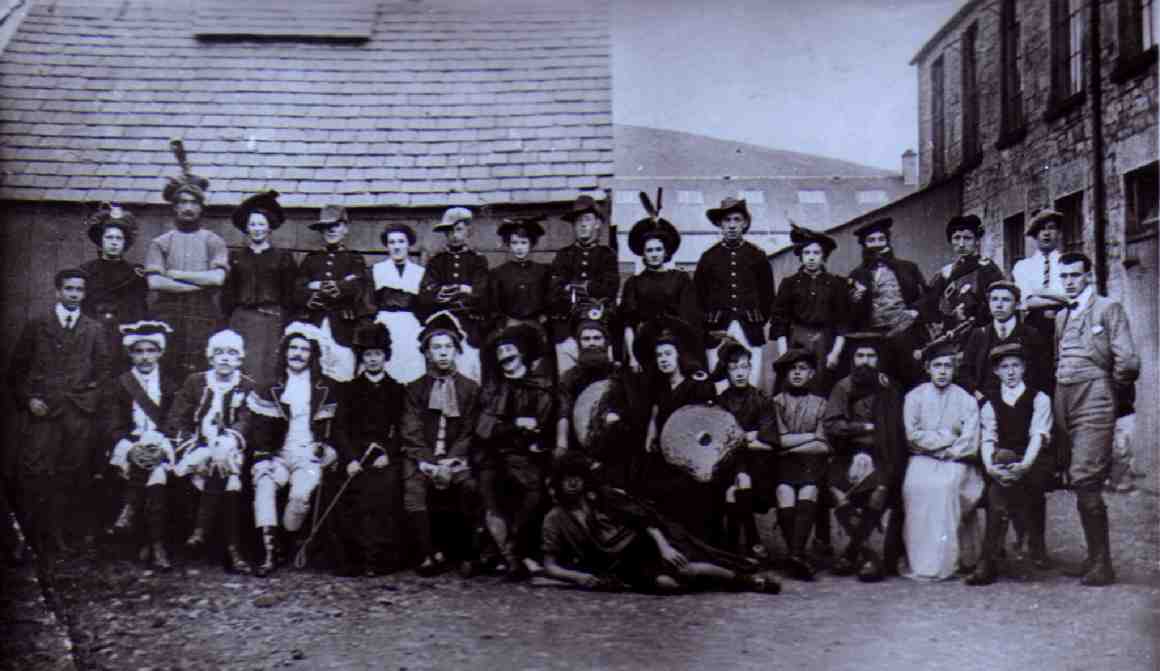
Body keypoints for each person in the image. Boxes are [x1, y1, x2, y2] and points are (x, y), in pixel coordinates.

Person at [541, 453, 779, 595]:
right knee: (669, 585)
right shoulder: (555, 518)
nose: (572, 483)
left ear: (584, 478)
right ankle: (714, 580)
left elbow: (644, 518)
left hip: (643, 542)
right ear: (558, 483)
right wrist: (578, 578)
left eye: (577, 476)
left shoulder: (604, 496)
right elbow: (550, 566)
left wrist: (664, 547)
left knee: (683, 568)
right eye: (565, 478)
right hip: (618, 565)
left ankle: (747, 582)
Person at [7, 269, 111, 568]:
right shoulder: (38, 325)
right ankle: (29, 540)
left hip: (78, 415)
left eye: (79, 290)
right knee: (37, 474)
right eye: (69, 289)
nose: (74, 294)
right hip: (44, 413)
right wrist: (29, 399)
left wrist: (89, 401)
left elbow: (103, 372)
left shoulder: (93, 329)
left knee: (71, 474)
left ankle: (62, 539)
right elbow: (16, 371)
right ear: (57, 292)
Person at [1053, 252, 1139, 586]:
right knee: (1076, 477)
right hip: (1064, 396)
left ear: (1088, 275)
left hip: (1095, 394)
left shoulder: (1108, 309)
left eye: (1075, 275)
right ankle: (1091, 556)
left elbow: (1128, 362)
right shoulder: (1062, 315)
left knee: (1085, 476)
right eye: (1065, 277)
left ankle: (1103, 563)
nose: (1070, 281)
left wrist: (1108, 392)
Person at [245, 323, 345, 577]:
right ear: (284, 351)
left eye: (304, 349)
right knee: (265, 485)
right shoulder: (269, 386)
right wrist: (264, 457)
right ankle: (269, 553)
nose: (298, 354)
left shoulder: (325, 388)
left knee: (301, 496)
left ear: (312, 355)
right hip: (277, 454)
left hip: (308, 454)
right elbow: (259, 430)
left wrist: (325, 446)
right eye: (293, 348)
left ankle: (287, 542)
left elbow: (331, 428)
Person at [399, 312, 482, 576]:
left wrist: (452, 460)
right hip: (423, 459)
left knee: (470, 486)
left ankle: (469, 554)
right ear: (427, 353)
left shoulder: (470, 389)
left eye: (448, 347)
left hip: (457, 459)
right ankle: (426, 554)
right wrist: (431, 464)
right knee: (413, 487)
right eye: (437, 348)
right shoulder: (414, 389)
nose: (443, 353)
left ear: (456, 350)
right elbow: (410, 431)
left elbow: (470, 430)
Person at [168, 329, 256, 575]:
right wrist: (194, 447)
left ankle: (201, 530)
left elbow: (246, 421)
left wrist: (227, 442)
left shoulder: (247, 386)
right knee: (221, 472)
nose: (225, 358)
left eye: (231, 353)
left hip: (232, 451)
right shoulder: (195, 382)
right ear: (210, 357)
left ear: (239, 359)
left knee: (222, 465)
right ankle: (233, 550)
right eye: (219, 353)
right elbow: (177, 419)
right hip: (197, 447)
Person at [822, 332, 908, 582]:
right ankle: (870, 555)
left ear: (879, 360)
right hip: (847, 454)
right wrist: (864, 429)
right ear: (853, 358)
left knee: (879, 490)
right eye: (860, 355)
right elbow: (833, 425)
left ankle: (851, 553)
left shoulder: (890, 387)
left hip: (882, 455)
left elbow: (894, 431)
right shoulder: (843, 387)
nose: (865, 361)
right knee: (835, 491)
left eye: (871, 356)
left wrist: (873, 450)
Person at [966, 343, 1054, 585]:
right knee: (1001, 469)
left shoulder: (1039, 398)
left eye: (1015, 365)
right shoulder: (990, 403)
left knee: (1012, 484)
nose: (1011, 372)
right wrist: (990, 468)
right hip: (1002, 460)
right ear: (996, 372)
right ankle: (1003, 556)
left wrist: (1024, 465)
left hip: (1033, 459)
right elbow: (988, 439)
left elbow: (1038, 435)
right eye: (1004, 367)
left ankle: (989, 559)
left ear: (1024, 368)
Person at [475, 323, 556, 580]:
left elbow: (545, 423)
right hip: (493, 455)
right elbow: (483, 427)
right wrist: (514, 426)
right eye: (500, 353)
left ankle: (513, 549)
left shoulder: (541, 386)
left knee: (534, 490)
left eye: (509, 350)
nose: (504, 357)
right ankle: (513, 559)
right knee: (489, 490)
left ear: (521, 354)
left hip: (529, 456)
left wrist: (534, 435)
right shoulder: (492, 388)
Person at [901, 343, 984, 581]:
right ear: (928, 368)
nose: (943, 371)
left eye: (948, 366)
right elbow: (912, 435)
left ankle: (946, 560)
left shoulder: (965, 399)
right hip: (923, 457)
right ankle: (920, 561)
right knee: (915, 486)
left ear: (954, 369)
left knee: (945, 488)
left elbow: (970, 437)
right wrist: (946, 439)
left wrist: (950, 450)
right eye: (937, 365)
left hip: (956, 460)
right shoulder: (914, 397)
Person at [105, 321, 179, 571]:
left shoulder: (170, 385)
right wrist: (130, 447)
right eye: (139, 351)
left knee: (156, 468)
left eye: (150, 350)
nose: (145, 357)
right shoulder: (120, 384)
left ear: (160, 352)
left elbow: (175, 421)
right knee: (149, 469)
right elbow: (113, 424)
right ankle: (156, 545)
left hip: (160, 443)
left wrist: (160, 444)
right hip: (132, 445)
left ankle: (132, 511)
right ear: (130, 353)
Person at [635, 317, 718, 541]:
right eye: (659, 355)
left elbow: (705, 423)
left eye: (668, 354)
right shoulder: (659, 387)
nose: (663, 359)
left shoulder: (696, 384)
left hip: (691, 457)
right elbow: (654, 413)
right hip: (663, 455)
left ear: (679, 355)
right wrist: (651, 434)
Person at [334, 322, 406, 577]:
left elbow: (403, 429)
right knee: (351, 491)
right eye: (368, 354)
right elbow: (340, 429)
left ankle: (379, 559)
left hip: (385, 456)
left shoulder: (398, 390)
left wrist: (389, 453)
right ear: (361, 357)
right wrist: (351, 459)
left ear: (385, 356)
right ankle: (355, 559)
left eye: (377, 354)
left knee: (384, 490)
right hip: (355, 454)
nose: (373, 359)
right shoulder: (349, 390)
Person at [146, 166, 229, 381]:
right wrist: (199, 283)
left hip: (204, 314)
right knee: (166, 370)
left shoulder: (214, 241)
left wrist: (174, 274)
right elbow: (155, 282)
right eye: (183, 202)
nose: (188, 208)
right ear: (174, 207)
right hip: (167, 312)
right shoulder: (160, 242)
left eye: (193, 203)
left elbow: (217, 278)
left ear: (201, 208)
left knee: (203, 370)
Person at [694, 197, 774, 385]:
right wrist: (709, 321)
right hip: (717, 329)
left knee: (750, 378)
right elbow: (698, 296)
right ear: (720, 224)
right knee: (719, 381)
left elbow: (768, 295)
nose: (731, 225)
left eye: (736, 220)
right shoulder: (708, 258)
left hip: (749, 328)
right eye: (727, 220)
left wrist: (757, 317)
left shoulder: (757, 256)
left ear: (745, 223)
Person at [711, 341, 778, 562]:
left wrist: (738, 438)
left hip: (758, 465)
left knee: (738, 485)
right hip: (726, 464)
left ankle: (737, 548)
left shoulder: (761, 400)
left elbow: (768, 442)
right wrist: (747, 435)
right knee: (733, 487)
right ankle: (749, 542)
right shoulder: (720, 402)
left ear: (750, 369)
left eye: (744, 367)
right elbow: (718, 440)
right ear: (727, 372)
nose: (739, 373)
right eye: (733, 368)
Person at [222, 190, 298, 386]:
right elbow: (228, 294)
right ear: (247, 228)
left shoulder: (283, 258)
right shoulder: (236, 258)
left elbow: (290, 295)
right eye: (252, 224)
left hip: (271, 321)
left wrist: (285, 321)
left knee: (268, 368)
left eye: (261, 224)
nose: (257, 229)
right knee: (241, 364)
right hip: (242, 320)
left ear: (269, 227)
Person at [769, 348, 831, 580]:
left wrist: (793, 444)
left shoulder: (821, 404)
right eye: (792, 369)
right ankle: (797, 554)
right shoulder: (776, 402)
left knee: (809, 490)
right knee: (784, 492)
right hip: (783, 465)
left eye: (802, 369)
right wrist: (810, 436)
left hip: (812, 464)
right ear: (785, 374)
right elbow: (779, 440)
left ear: (811, 374)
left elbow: (824, 445)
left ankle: (795, 555)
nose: (796, 373)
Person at [847, 217, 928, 388]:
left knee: (910, 380)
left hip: (906, 335)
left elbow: (926, 297)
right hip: (875, 339)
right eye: (871, 240)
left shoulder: (908, 268)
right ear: (864, 245)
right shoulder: (857, 274)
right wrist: (855, 301)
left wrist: (914, 311)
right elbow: (851, 316)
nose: (876, 244)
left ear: (888, 241)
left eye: (881, 239)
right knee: (879, 384)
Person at [293, 205, 371, 382]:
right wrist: (310, 296)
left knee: (343, 372)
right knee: (312, 372)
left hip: (343, 327)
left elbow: (360, 286)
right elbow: (298, 288)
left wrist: (338, 287)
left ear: (345, 228)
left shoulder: (354, 259)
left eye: (336, 225)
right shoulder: (312, 259)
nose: (331, 230)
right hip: (315, 323)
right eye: (326, 227)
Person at [621, 202, 701, 372]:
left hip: (675, 348)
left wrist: (685, 355)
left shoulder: (680, 279)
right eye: (649, 250)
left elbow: (689, 322)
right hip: (645, 348)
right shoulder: (633, 283)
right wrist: (634, 358)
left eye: (658, 249)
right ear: (643, 253)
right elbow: (629, 325)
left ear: (666, 252)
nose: (654, 254)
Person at [554, 318, 632, 489]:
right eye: (586, 339)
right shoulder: (570, 377)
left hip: (616, 444)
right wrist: (562, 443)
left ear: (605, 342)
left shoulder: (619, 374)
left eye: (597, 338)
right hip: (581, 444)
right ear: (579, 343)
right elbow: (563, 410)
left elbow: (631, 408)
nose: (592, 343)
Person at [770, 224, 848, 394]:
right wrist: (784, 353)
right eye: (807, 253)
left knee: (822, 384)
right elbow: (779, 320)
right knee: (793, 382)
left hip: (825, 342)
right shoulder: (789, 284)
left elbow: (842, 322)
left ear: (824, 256)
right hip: (796, 341)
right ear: (800, 256)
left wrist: (835, 353)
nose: (811, 258)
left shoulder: (835, 284)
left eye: (816, 253)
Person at [548, 195, 619, 376]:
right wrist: (590, 288)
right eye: (578, 221)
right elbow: (555, 291)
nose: (582, 225)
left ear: (597, 223)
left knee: (605, 376)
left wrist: (574, 287)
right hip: (568, 328)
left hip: (600, 326)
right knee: (567, 375)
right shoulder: (564, 255)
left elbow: (610, 288)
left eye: (587, 219)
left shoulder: (607, 255)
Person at [418, 207, 489, 383]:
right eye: (449, 231)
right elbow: (425, 292)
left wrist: (466, 290)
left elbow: (482, 292)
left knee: (470, 366)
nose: (454, 235)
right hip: (442, 320)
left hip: (469, 321)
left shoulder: (477, 260)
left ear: (468, 231)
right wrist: (438, 293)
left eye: (458, 230)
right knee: (438, 364)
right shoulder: (437, 260)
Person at [80, 202, 149, 374]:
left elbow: (139, 309)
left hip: (123, 335)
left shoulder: (135, 274)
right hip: (93, 334)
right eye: (109, 238)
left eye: (119, 238)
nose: (114, 243)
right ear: (100, 241)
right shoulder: (85, 271)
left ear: (125, 243)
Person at [958, 281, 1051, 399]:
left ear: (1017, 304)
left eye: (1006, 300)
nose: (999, 305)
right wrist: (977, 394)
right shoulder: (979, 334)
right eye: (994, 299)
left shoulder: (1031, 334)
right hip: (985, 403)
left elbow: (1043, 375)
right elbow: (965, 373)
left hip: (1022, 404)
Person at [487, 216, 554, 379]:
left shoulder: (543, 271)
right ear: (508, 245)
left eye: (523, 243)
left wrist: (542, 319)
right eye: (515, 243)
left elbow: (550, 300)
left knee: (541, 365)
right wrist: (504, 323)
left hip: (537, 328)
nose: (519, 248)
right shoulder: (498, 273)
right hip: (508, 329)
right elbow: (493, 305)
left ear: (531, 245)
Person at [922, 214, 1005, 341]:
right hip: (951, 335)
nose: (961, 244)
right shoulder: (945, 273)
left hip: (981, 334)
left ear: (977, 241)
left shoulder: (989, 269)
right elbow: (929, 302)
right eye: (956, 238)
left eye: (967, 238)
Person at [371, 223, 426, 384]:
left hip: (411, 326)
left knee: (411, 370)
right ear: (387, 246)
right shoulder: (376, 270)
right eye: (392, 242)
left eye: (401, 242)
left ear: (408, 244)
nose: (396, 247)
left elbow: (424, 304)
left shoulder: (420, 272)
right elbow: (369, 303)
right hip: (384, 324)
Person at [1011, 209, 1069, 348]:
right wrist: (1060, 297)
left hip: (1067, 322)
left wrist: (1040, 292)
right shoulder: (1023, 266)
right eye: (1041, 229)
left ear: (1059, 234)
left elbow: (1072, 297)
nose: (1046, 233)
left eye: (1051, 228)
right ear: (1035, 235)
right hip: (1034, 327)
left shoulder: (1068, 263)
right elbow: (1027, 302)